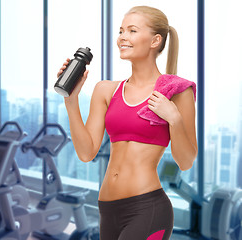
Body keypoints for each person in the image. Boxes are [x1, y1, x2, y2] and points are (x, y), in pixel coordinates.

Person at [57, 5, 197, 240]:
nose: (122, 37)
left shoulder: (176, 93)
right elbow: (86, 152)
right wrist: (71, 101)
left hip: (147, 208)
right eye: (121, 31)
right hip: (107, 209)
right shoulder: (106, 90)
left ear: (155, 41)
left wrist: (173, 117)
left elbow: (185, 161)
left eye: (132, 31)